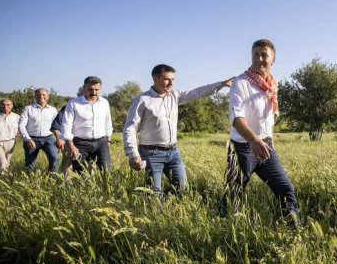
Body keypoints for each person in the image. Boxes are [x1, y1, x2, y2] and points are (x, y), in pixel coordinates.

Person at [123, 64, 233, 195]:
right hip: (151, 153)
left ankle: (163, 205)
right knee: (153, 192)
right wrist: (133, 154)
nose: (171, 83)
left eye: (173, 79)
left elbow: (197, 92)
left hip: (173, 152)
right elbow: (130, 128)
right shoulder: (142, 100)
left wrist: (221, 84)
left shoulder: (174, 96)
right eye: (166, 79)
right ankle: (154, 207)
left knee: (181, 187)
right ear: (155, 78)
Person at [222, 39, 299, 223]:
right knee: (233, 195)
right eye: (255, 54)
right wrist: (255, 141)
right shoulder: (240, 83)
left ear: (273, 59)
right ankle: (222, 226)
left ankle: (294, 230)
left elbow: (267, 119)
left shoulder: (271, 85)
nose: (259, 59)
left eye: (264, 55)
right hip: (243, 148)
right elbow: (236, 119)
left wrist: (268, 140)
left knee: (285, 189)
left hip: (266, 146)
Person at [61, 76, 113, 174]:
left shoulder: (104, 103)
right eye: (90, 89)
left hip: (101, 143)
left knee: (107, 172)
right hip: (80, 144)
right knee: (81, 174)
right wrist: (70, 145)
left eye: (97, 89)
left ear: (100, 89)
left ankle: (103, 189)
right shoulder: (73, 103)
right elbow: (66, 125)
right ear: (84, 88)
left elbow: (108, 122)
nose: (94, 92)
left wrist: (108, 139)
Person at [19, 88, 59, 173]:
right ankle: (29, 183)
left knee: (54, 158)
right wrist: (28, 139)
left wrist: (59, 138)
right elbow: (21, 125)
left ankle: (52, 179)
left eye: (44, 95)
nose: (41, 96)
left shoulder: (53, 110)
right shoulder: (28, 109)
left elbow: (57, 125)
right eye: (39, 94)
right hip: (31, 138)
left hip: (49, 138)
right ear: (35, 96)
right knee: (30, 165)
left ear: (47, 96)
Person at [51, 87, 83, 176]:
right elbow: (56, 125)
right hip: (71, 142)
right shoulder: (68, 107)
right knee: (67, 168)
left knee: (87, 168)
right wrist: (59, 138)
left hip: (90, 143)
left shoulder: (96, 107)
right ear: (77, 95)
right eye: (82, 95)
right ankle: (63, 186)